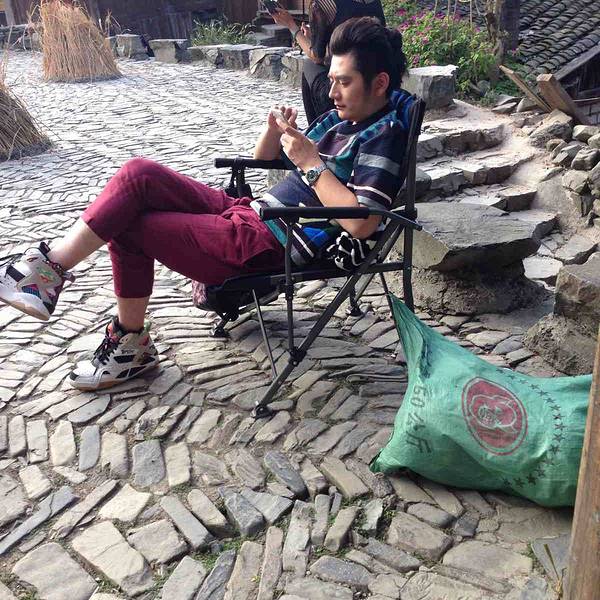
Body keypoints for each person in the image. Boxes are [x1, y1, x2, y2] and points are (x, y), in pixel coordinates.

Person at [0, 16, 408, 392]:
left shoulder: (383, 134)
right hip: (248, 213)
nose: (332, 93)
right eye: (332, 80)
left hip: (269, 242)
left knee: (130, 225)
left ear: (379, 83)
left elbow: (363, 222)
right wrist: (274, 132)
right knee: (139, 173)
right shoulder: (339, 122)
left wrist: (312, 164)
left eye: (344, 82)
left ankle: (126, 342)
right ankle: (49, 268)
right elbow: (265, 160)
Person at [271, 0, 386, 123]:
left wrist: (292, 26)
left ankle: (317, 127)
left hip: (350, 87)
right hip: (378, 76)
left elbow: (317, 56)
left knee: (309, 65)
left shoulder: (322, 3)